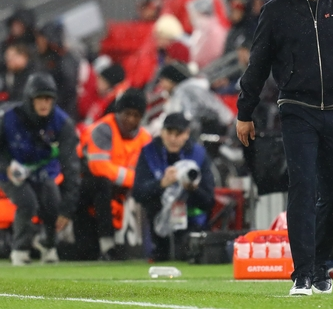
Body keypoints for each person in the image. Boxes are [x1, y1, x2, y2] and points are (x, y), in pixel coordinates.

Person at [236, 0, 333, 296]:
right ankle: (302, 274)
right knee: (303, 188)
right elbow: (258, 65)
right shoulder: (276, 12)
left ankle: (321, 266)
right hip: (298, 110)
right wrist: (244, 112)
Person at [0, 73, 80, 265]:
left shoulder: (62, 123)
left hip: (42, 171)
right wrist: (6, 167)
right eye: (40, 98)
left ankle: (49, 246)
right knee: (27, 202)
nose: (45, 103)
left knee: (53, 202)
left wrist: (67, 208)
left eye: (49, 99)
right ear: (30, 99)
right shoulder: (7, 118)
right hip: (10, 171)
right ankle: (20, 250)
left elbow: (71, 165)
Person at [76, 89, 151, 260]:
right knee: (102, 184)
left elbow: (149, 173)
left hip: (116, 190)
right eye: (127, 113)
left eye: (136, 115)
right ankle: (107, 242)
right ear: (118, 112)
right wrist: (134, 179)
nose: (131, 119)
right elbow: (99, 168)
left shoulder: (145, 138)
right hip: (84, 187)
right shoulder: (103, 130)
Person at [132, 113, 215, 262]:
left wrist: (193, 189)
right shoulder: (149, 153)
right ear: (162, 132)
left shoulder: (199, 154)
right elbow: (138, 193)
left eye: (178, 134)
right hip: (158, 228)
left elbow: (209, 200)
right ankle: (159, 249)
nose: (173, 139)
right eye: (169, 133)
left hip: (192, 224)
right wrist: (161, 184)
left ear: (187, 134)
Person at [35, 20, 80, 120]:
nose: (38, 42)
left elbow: (69, 89)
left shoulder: (64, 59)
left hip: (67, 113)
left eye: (41, 39)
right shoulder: (46, 60)